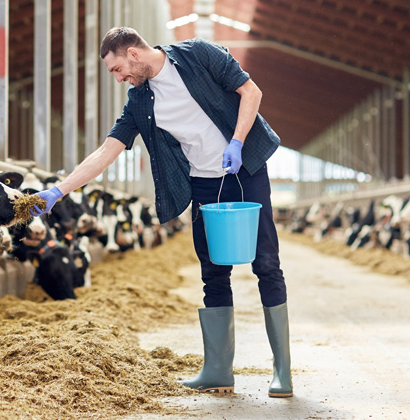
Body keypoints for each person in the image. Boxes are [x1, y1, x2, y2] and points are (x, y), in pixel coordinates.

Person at [30, 27, 291, 398]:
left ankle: (282, 370)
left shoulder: (199, 54)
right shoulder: (140, 102)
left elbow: (251, 92)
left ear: (133, 54)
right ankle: (218, 369)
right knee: (214, 272)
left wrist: (237, 140)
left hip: (245, 169)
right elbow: (106, 152)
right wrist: (59, 190)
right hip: (202, 184)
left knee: (266, 262)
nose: (119, 78)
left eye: (117, 69)